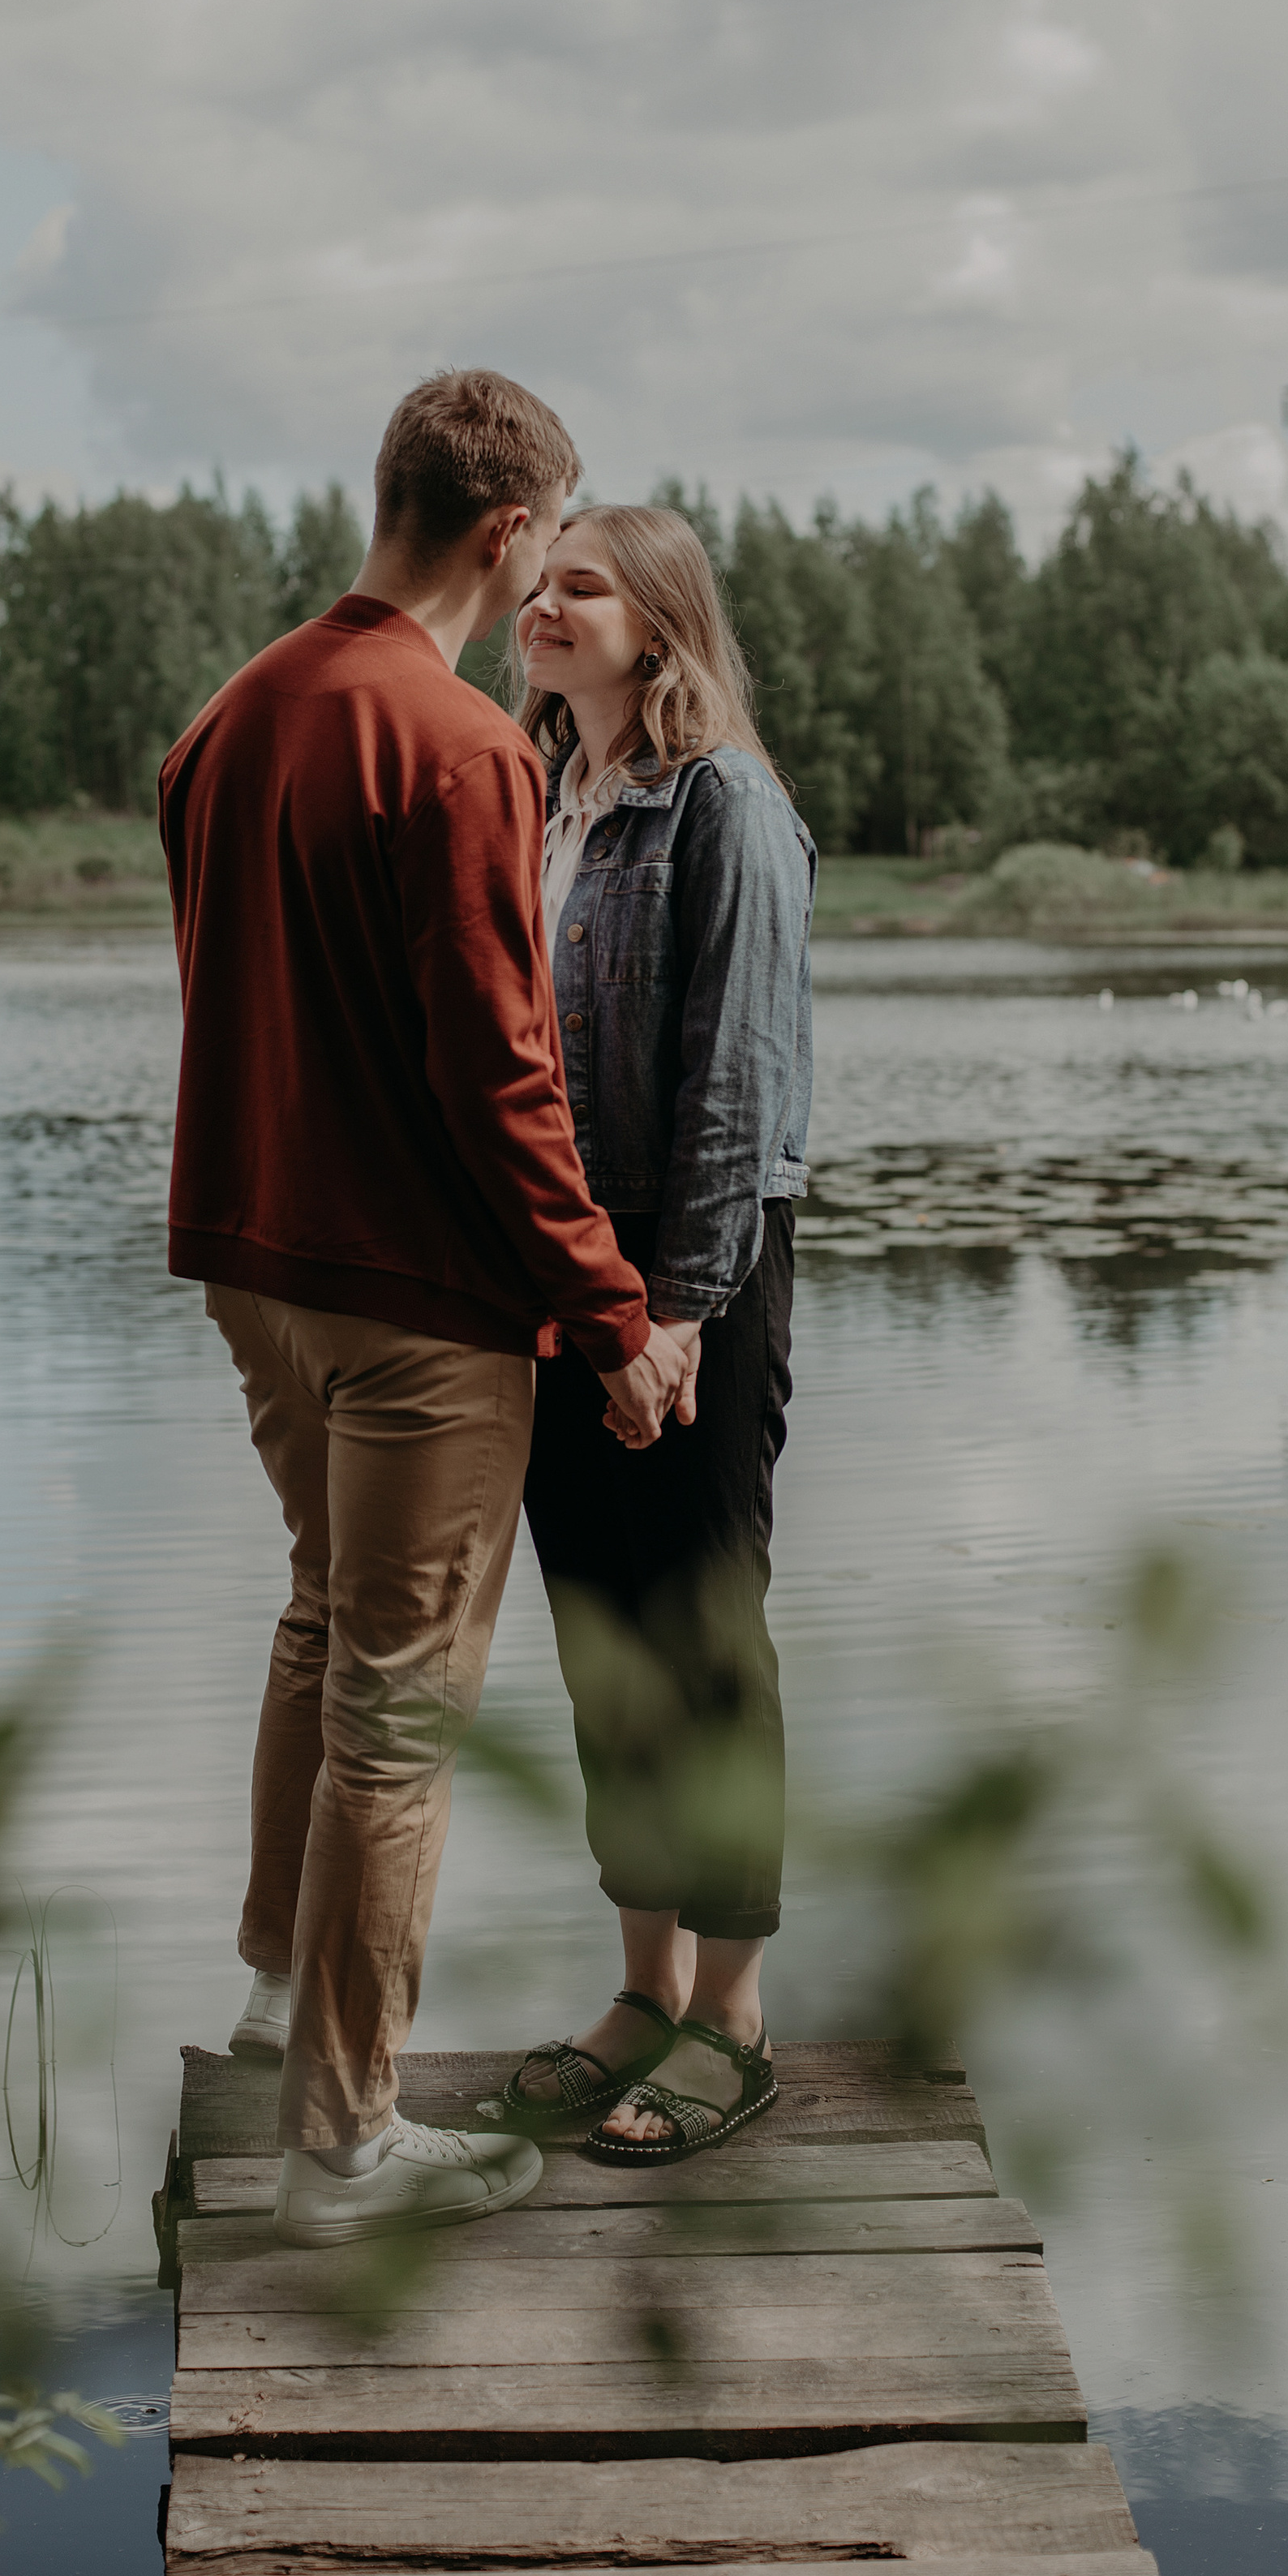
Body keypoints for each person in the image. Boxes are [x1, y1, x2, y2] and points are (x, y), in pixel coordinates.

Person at [158, 376, 693, 2249]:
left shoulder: (227, 718)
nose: (547, 572)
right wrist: (611, 1315)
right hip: (410, 1308)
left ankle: (268, 2009)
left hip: (257, 1275)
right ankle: (343, 2143)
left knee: (322, 1621)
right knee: (399, 1709)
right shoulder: (463, 749)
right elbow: (499, 1080)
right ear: (506, 532)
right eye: (548, 540)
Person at [496, 504, 814, 2165]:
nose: (541, 605)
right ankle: (643, 1986)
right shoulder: (547, 792)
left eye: (582, 585)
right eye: (537, 581)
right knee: (603, 1639)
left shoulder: (724, 804)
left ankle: (733, 2017)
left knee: (703, 1638)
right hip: (566, 1290)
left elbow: (737, 1085)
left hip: (697, 1278)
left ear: (659, 621)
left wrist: (675, 1313)